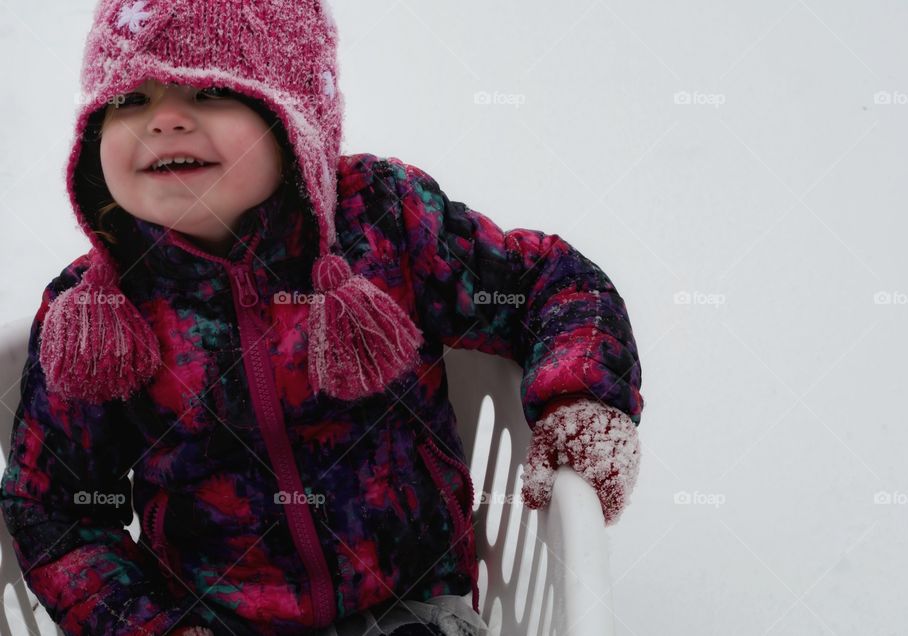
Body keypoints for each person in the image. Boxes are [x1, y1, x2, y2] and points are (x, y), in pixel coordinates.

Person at [0, 1, 645, 634]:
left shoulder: (386, 224)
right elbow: (52, 504)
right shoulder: (92, 316)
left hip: (411, 604)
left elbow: (548, 285)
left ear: (293, 120)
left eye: (211, 92)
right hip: (214, 619)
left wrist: (580, 402)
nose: (164, 120)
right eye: (131, 100)